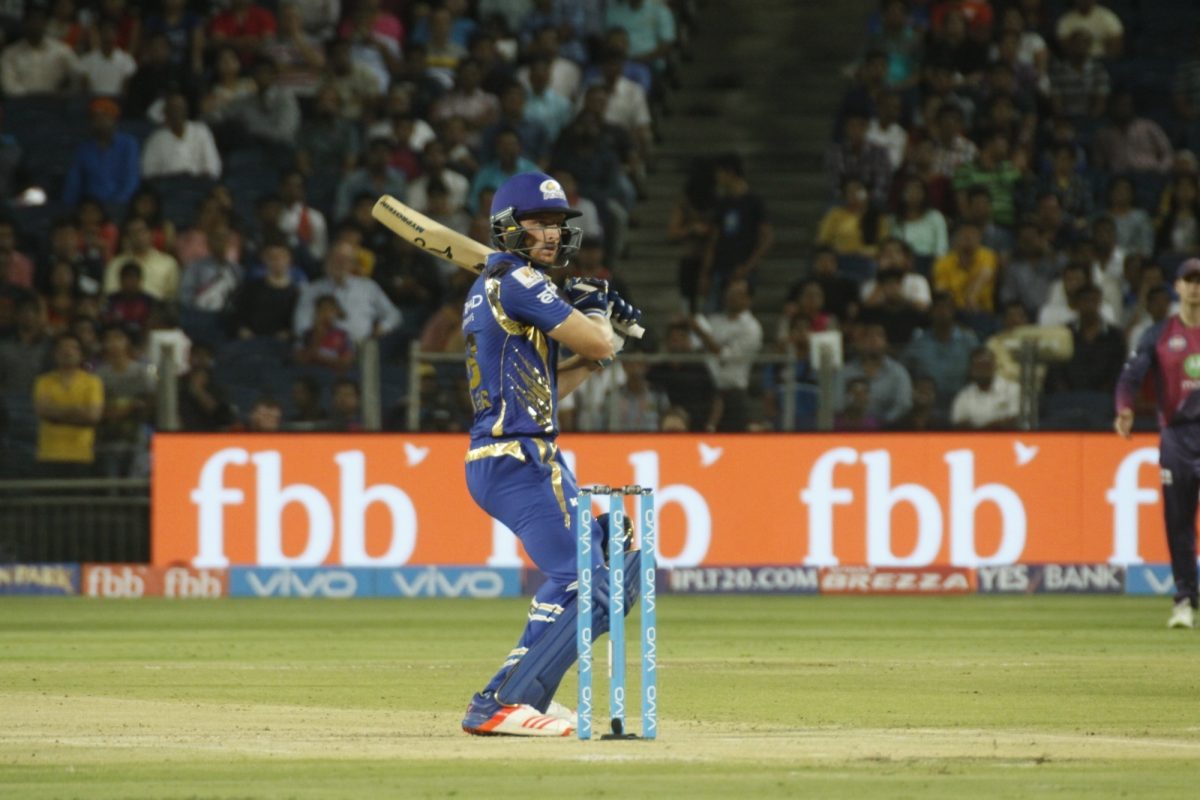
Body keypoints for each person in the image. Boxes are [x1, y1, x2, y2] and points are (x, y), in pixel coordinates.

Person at [459, 171, 642, 736]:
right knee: (587, 581)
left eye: (558, 224)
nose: (552, 233)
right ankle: (499, 702)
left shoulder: (505, 285)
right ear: (508, 227)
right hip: (517, 457)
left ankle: (527, 694)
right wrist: (595, 312)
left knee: (613, 553)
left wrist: (599, 345)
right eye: (539, 222)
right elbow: (594, 338)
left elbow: (547, 389)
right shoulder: (516, 281)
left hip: (521, 452)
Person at [1114, 258, 1200, 629]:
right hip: (1177, 437)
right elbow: (1130, 377)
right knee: (1178, 523)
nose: (1195, 288)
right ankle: (1185, 599)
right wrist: (1125, 409)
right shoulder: (1159, 334)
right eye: (1189, 281)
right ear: (1177, 287)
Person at [32, 333, 104, 478]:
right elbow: (43, 411)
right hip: (49, 454)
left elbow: (92, 416)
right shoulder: (43, 381)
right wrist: (78, 411)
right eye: (62, 348)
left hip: (82, 454)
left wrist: (57, 413)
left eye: (73, 347)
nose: (68, 351)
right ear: (54, 354)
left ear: (81, 354)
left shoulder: (92, 382)